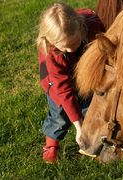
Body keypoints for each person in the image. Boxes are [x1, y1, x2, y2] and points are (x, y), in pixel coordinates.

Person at [36, 2, 105, 163]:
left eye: (75, 44)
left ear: (81, 27)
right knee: (60, 115)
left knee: (92, 108)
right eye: (64, 47)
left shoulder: (93, 26)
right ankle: (51, 145)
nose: (70, 50)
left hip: (85, 76)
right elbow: (64, 90)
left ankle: (96, 142)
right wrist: (78, 127)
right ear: (51, 43)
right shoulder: (52, 53)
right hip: (57, 85)